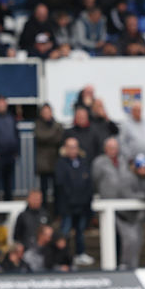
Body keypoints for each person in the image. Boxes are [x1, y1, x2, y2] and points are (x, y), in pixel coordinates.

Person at [55, 136, 95, 266]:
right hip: (67, 205)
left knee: (80, 232)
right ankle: (63, 257)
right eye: (70, 147)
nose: (73, 150)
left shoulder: (83, 162)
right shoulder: (61, 164)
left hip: (82, 205)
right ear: (65, 148)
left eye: (75, 147)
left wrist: (85, 200)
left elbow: (88, 183)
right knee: (65, 231)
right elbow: (61, 185)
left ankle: (80, 254)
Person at [116, 154, 145, 270]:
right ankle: (124, 265)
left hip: (137, 217)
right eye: (141, 167)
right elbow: (127, 194)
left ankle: (133, 267)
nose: (144, 170)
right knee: (130, 240)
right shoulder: (128, 178)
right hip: (124, 216)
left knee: (138, 242)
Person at [33, 103, 63, 207]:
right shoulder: (39, 125)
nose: (47, 114)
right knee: (44, 189)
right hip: (43, 164)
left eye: (48, 111)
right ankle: (44, 210)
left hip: (55, 162)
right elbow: (42, 137)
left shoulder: (57, 125)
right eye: (44, 112)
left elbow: (59, 139)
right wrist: (54, 132)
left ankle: (57, 211)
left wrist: (51, 137)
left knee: (57, 189)